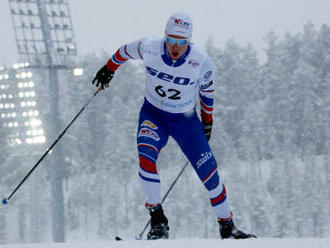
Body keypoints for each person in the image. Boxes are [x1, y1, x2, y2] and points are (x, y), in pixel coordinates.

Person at [92, 12, 256, 240]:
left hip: (185, 122)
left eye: (182, 42)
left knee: (209, 173)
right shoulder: (149, 47)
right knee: (146, 158)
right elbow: (124, 51)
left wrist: (207, 121)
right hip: (154, 115)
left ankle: (227, 226)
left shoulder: (201, 61)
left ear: (189, 41)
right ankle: (158, 221)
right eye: (171, 40)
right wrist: (109, 69)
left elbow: (207, 93)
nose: (176, 47)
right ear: (165, 37)